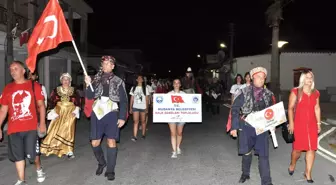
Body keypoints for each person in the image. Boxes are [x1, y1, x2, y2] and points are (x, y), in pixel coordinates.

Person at [0, 61, 46, 185]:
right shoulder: (8, 88)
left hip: (31, 128)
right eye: (11, 69)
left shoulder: (34, 86)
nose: (13, 71)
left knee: (33, 156)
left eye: (16, 68)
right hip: (14, 129)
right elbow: (3, 109)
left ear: (23, 71)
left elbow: (41, 106)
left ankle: (39, 168)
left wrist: (42, 123)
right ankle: (21, 179)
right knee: (18, 156)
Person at [84, 55, 128, 181]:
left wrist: (122, 117)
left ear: (113, 66)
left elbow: (124, 101)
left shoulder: (119, 81)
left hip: (112, 113)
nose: (106, 66)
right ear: (101, 66)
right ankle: (102, 162)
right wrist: (88, 84)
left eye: (109, 64)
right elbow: (89, 96)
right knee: (95, 143)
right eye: (104, 64)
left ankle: (110, 170)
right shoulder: (95, 80)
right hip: (97, 113)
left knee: (111, 141)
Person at [230, 67, 274, 185]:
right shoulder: (243, 92)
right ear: (253, 77)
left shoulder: (269, 94)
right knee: (247, 152)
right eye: (258, 77)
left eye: (263, 78)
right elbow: (234, 109)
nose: (261, 80)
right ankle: (245, 174)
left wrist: (273, 124)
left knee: (263, 155)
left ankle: (267, 181)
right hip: (246, 126)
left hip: (262, 128)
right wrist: (234, 127)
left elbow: (272, 111)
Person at [287, 70, 321, 183]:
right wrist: (291, 123)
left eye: (311, 77)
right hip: (299, 125)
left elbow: (317, 108)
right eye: (307, 77)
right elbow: (290, 108)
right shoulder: (296, 91)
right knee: (297, 151)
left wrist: (318, 123)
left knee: (311, 149)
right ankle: (293, 163)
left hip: (311, 125)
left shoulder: (316, 93)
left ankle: (308, 173)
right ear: (303, 79)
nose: (310, 79)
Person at [40, 73, 81, 158]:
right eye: (64, 79)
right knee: (56, 130)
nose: (65, 81)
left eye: (67, 79)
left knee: (69, 130)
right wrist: (53, 113)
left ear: (70, 81)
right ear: (61, 80)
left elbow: (78, 102)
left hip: (70, 113)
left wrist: (76, 110)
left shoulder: (74, 90)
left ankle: (69, 150)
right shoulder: (56, 90)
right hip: (59, 113)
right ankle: (52, 147)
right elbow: (51, 102)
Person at [27, 72, 47, 183]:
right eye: (29, 75)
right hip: (24, 120)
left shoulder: (40, 87)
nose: (31, 77)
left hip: (37, 117)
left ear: (36, 77)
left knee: (35, 143)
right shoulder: (23, 85)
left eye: (33, 75)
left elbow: (44, 103)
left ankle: (38, 168)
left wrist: (42, 120)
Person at [167, 79, 186, 158]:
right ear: (173, 85)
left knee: (179, 133)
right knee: (173, 133)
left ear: (180, 85)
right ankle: (174, 151)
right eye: (175, 83)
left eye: (178, 83)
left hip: (181, 117)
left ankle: (178, 147)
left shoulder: (184, 94)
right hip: (171, 117)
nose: (176, 84)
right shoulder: (168, 94)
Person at [129, 75, 149, 141]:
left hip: (143, 107)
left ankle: (143, 134)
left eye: (141, 78)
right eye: (138, 78)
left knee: (143, 121)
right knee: (135, 122)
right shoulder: (133, 88)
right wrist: (130, 107)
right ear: (137, 80)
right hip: (135, 107)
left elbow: (147, 99)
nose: (140, 79)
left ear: (143, 80)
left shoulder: (145, 88)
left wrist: (147, 108)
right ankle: (135, 136)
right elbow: (131, 98)